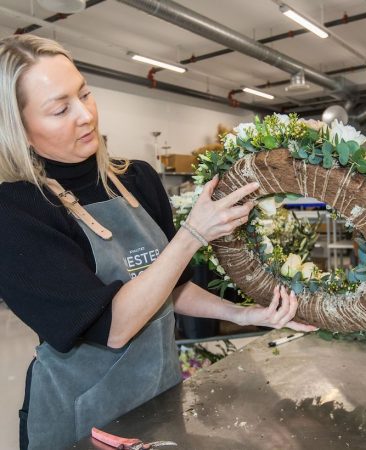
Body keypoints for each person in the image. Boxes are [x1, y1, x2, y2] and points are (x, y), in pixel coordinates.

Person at [0, 34, 316, 450]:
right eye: (60, 109)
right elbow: (112, 327)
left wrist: (242, 314)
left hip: (158, 404)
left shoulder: (136, 178)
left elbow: (174, 287)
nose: (85, 115)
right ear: (18, 129)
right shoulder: (17, 212)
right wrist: (193, 235)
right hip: (82, 425)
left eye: (85, 94)